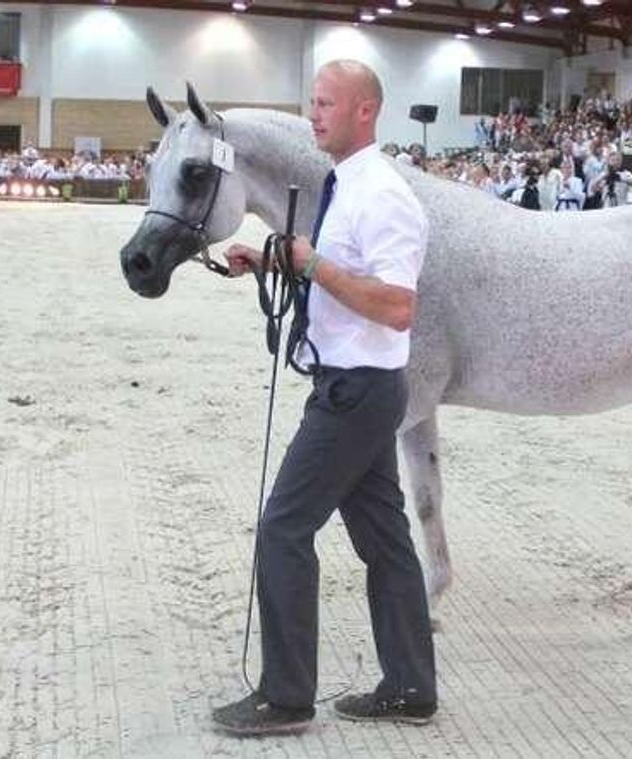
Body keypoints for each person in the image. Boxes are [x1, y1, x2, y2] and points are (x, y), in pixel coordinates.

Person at [212, 59, 437, 736]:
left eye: (326, 104)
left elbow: (397, 306)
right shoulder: (345, 185)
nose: (313, 114)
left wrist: (311, 264)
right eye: (312, 102)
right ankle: (409, 686)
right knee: (386, 541)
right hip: (357, 386)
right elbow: (342, 273)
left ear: (365, 111)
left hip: (356, 390)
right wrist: (277, 259)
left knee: (284, 527)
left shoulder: (386, 196)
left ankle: (285, 696)